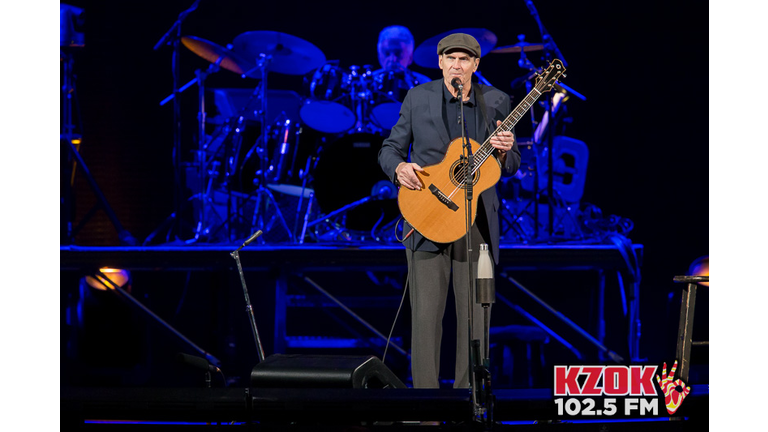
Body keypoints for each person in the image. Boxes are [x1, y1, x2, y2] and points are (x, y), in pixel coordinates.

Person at [378, 33, 521, 388]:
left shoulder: (497, 100)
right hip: (427, 216)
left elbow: (512, 163)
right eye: (450, 59)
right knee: (426, 317)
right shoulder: (418, 97)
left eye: (464, 60)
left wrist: (505, 151)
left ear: (476, 65)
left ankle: (467, 401)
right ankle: (425, 405)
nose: (457, 65)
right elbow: (390, 148)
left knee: (475, 319)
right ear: (440, 62)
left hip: (476, 223)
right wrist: (398, 168)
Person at [371, 26, 431, 130]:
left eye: (398, 53)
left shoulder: (424, 84)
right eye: (387, 53)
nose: (392, 59)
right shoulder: (368, 82)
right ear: (379, 55)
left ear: (410, 56)